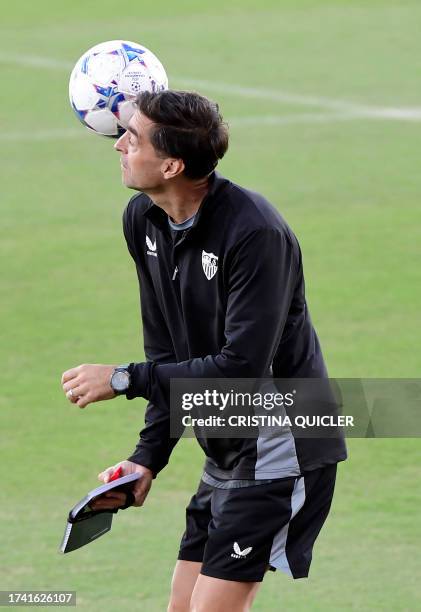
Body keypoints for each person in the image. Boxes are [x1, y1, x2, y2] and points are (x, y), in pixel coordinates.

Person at [61, 90, 347, 612]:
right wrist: (147, 457)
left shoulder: (254, 232)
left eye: (133, 137)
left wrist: (123, 379)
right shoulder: (144, 220)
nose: (118, 144)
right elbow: (168, 351)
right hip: (228, 443)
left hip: (282, 442)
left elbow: (240, 368)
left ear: (171, 164)